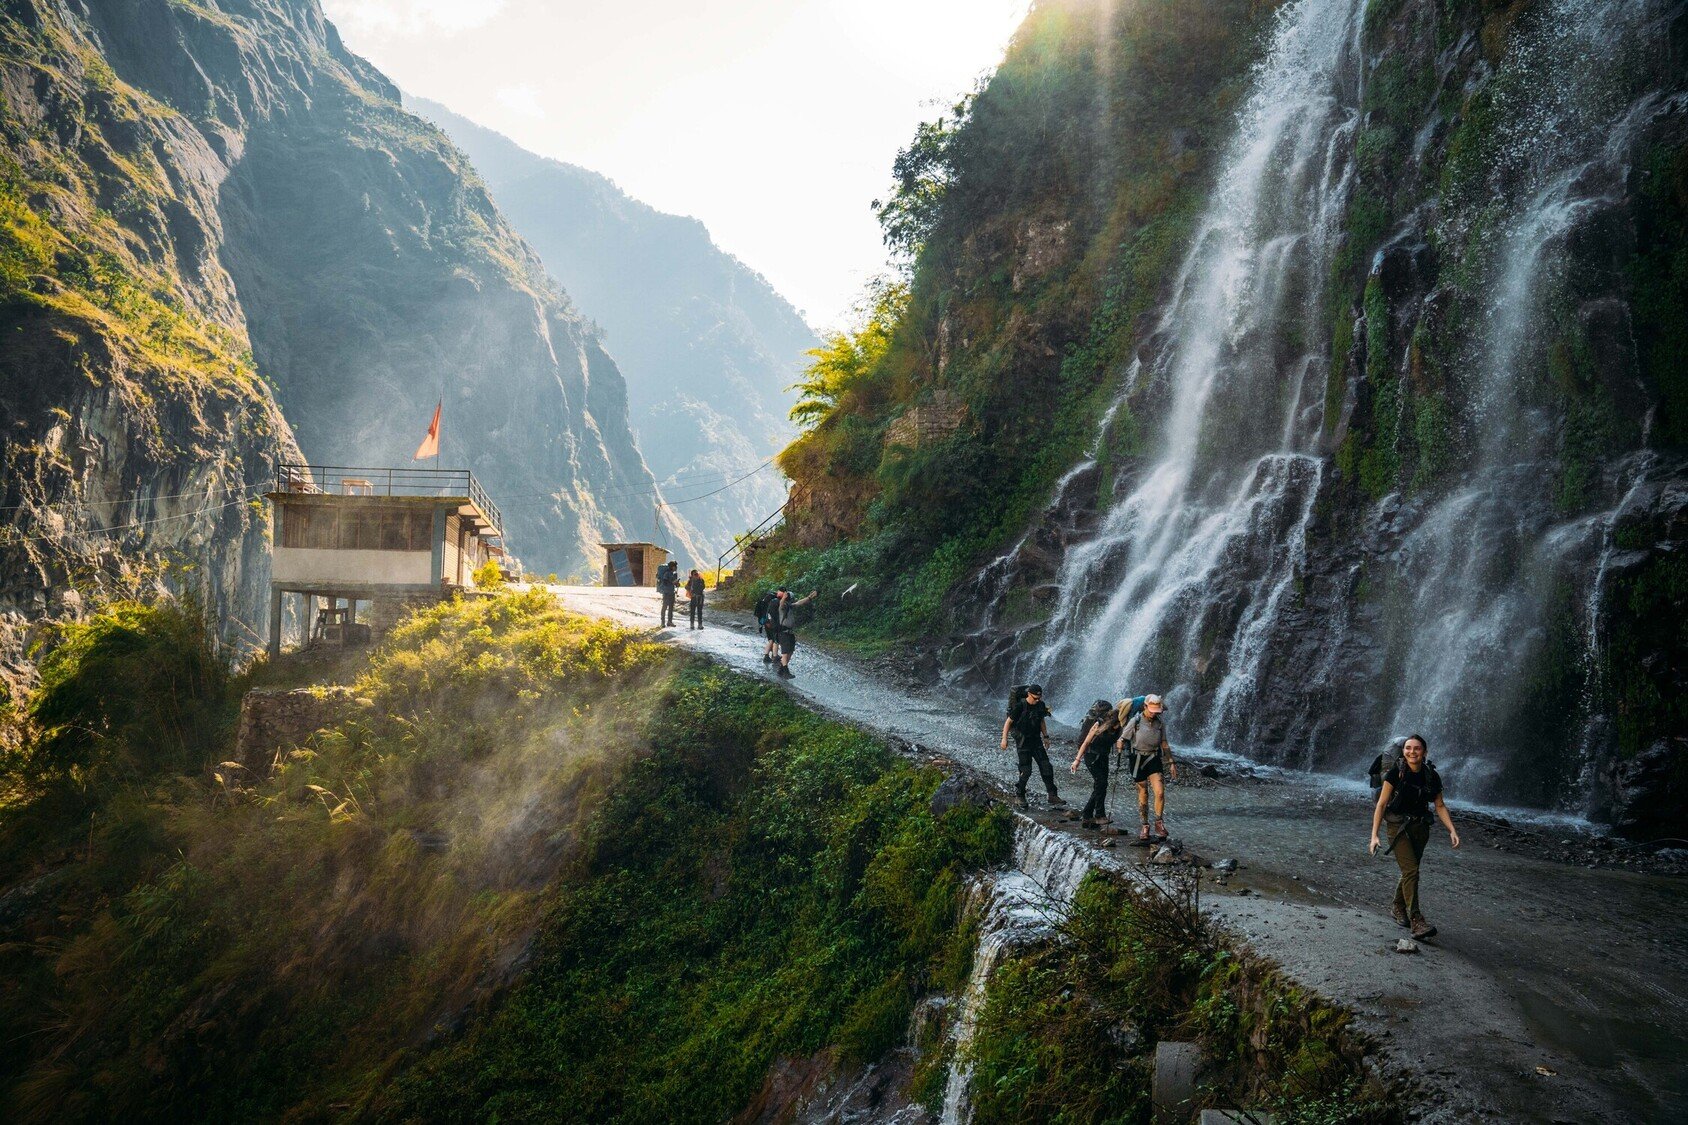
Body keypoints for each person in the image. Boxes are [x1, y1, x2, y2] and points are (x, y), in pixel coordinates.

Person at [1369, 734, 1459, 939]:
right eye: (1408, 748)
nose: (1412, 752)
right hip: (1397, 827)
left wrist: (1452, 830)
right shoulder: (1395, 773)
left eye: (1416, 748)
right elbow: (1381, 805)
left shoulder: (1431, 776)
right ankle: (1416, 920)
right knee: (1411, 870)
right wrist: (1374, 835)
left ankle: (1397, 907)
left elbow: (1440, 805)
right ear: (1403, 751)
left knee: (1411, 870)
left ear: (1424, 752)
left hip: (1420, 828)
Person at [1117, 694, 1176, 841]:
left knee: (1160, 792)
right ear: (1144, 707)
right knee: (1143, 792)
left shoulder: (1160, 723)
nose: (1154, 713)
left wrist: (1171, 762)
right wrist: (1120, 743)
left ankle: (1159, 823)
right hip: (1137, 759)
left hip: (1154, 758)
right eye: (1152, 710)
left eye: (1156, 711)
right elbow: (1123, 738)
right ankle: (1144, 825)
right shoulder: (1135, 721)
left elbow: (1164, 743)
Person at [1000, 684, 1064, 811]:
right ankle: (1020, 795)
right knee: (1026, 770)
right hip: (1023, 741)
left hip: (1036, 740)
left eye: (1039, 698)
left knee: (1046, 767)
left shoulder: (1040, 705)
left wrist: (1046, 736)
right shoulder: (1020, 706)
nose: (1037, 700)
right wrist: (1004, 739)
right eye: (1035, 698)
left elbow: (1041, 721)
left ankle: (1052, 795)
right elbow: (1009, 722)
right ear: (1029, 694)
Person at [1071, 698, 1121, 828]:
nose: (1117, 727)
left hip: (1103, 756)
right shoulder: (1098, 724)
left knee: (1101, 785)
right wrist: (1077, 760)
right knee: (1101, 783)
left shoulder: (1119, 727)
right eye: (1115, 725)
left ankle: (1087, 813)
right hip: (1091, 755)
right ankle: (1099, 815)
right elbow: (1086, 742)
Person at [774, 588, 818, 678]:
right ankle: (785, 672)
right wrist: (783, 598)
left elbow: (799, 603)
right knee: (785, 652)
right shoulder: (782, 607)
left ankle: (781, 670)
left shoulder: (790, 606)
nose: (792, 600)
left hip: (790, 633)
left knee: (790, 651)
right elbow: (781, 604)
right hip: (783, 632)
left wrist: (810, 597)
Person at [656, 561, 679, 627]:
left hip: (672, 592)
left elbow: (674, 583)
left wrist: (677, 583)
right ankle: (662, 622)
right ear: (672, 567)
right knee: (665, 607)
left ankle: (669, 622)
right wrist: (673, 582)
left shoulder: (673, 574)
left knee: (671, 608)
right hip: (666, 593)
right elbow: (665, 582)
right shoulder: (667, 573)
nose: (676, 567)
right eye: (675, 566)